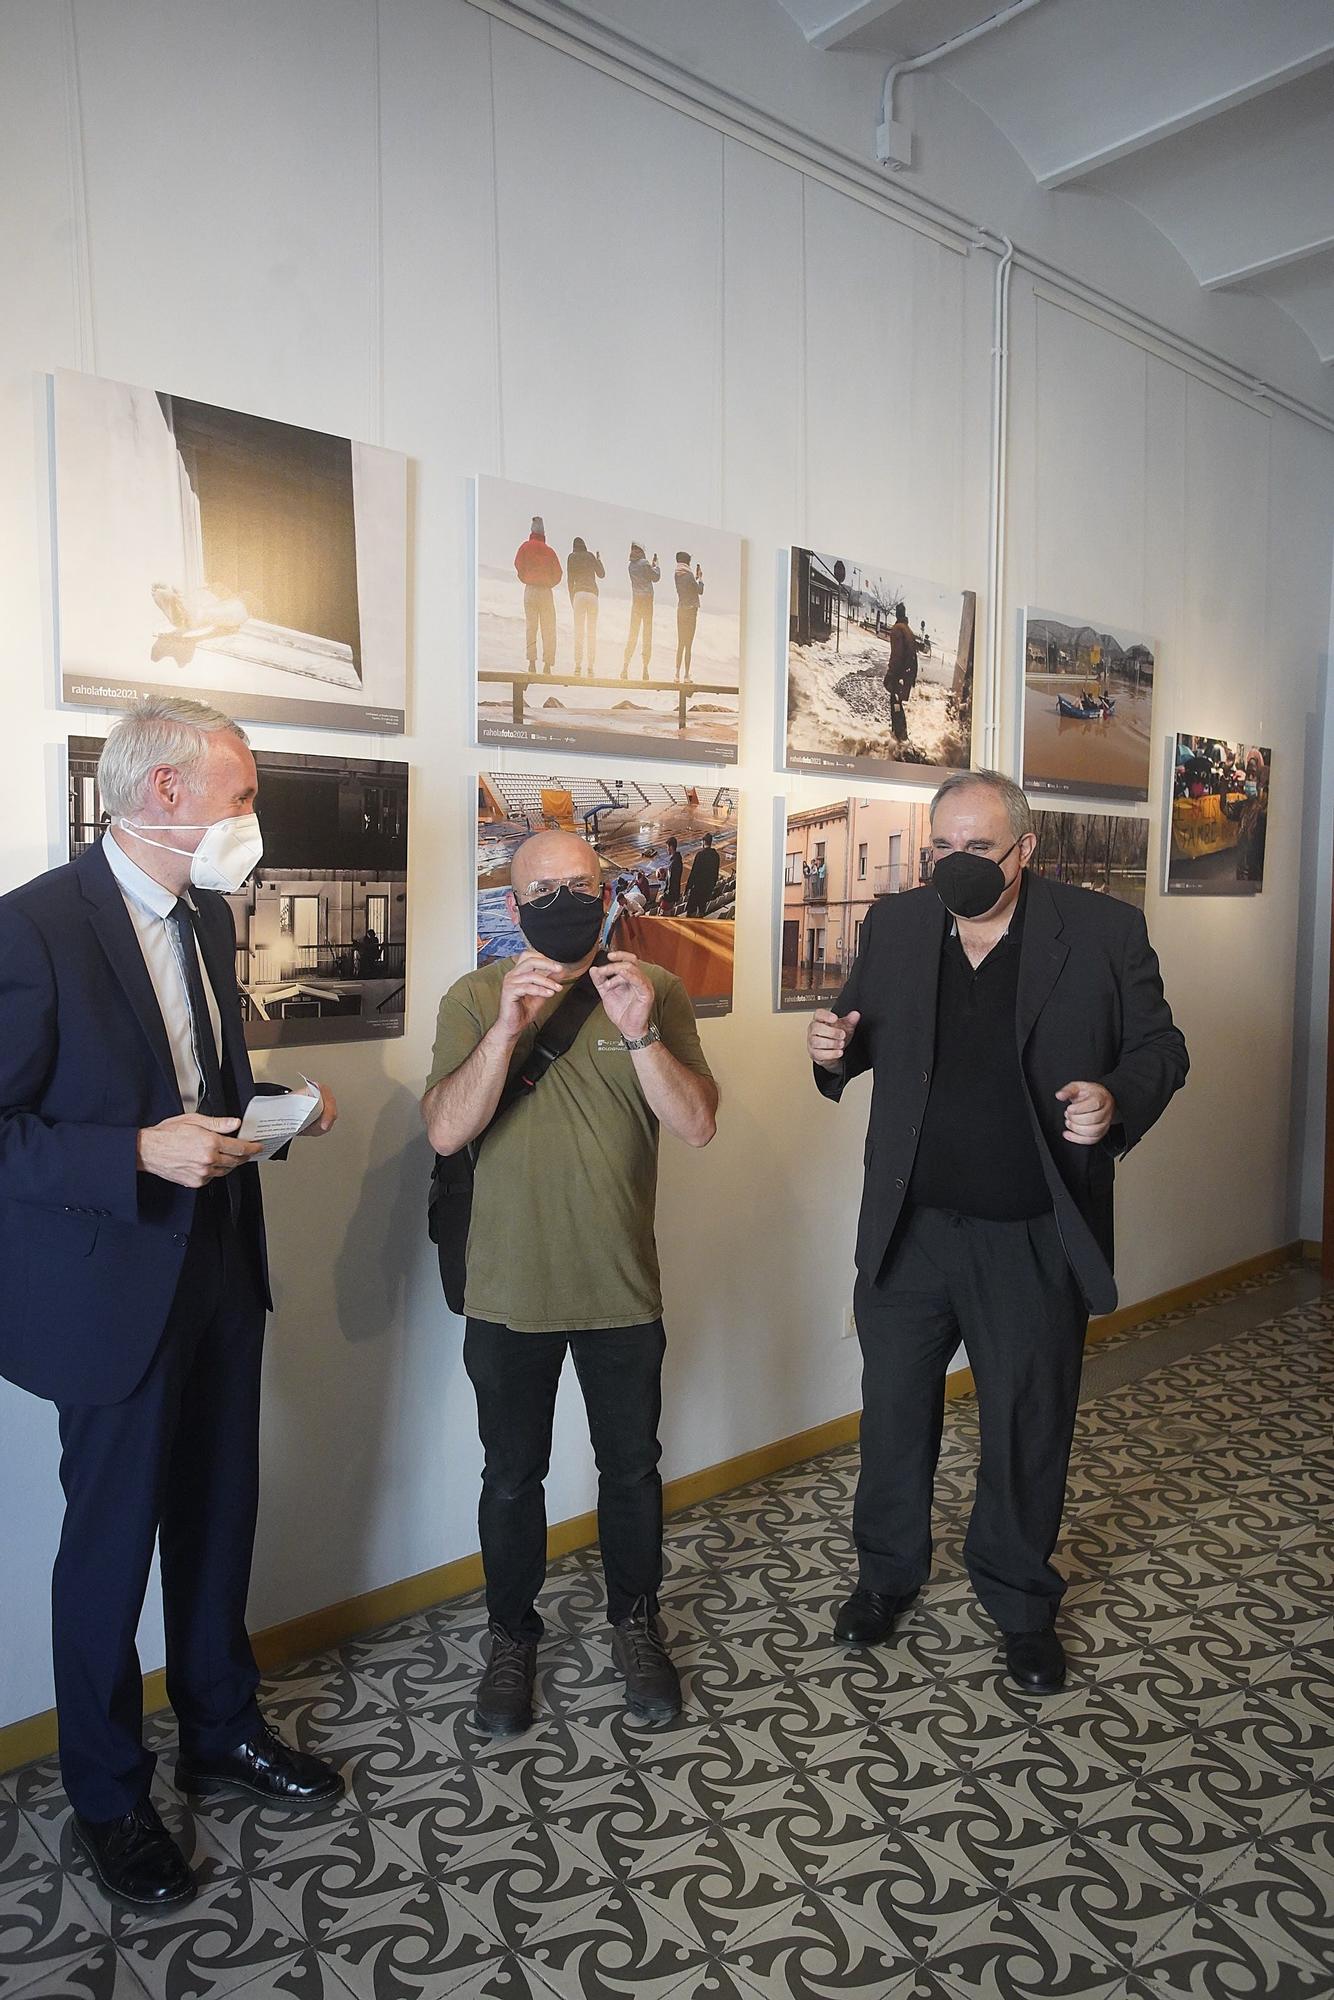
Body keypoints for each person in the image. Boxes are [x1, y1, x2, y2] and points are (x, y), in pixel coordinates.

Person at [0, 698, 341, 1912]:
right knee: (106, 1552)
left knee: (217, 1513)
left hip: (216, 1270)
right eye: (241, 794)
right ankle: (105, 1792)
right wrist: (132, 1156)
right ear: (161, 796)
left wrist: (273, 1118)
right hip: (106, 1294)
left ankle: (219, 1724)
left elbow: (196, 1085)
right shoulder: (33, 927)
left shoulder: (203, 915)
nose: (252, 817)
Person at [808, 768, 1187, 1694]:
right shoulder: (897, 926)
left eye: (977, 847)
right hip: (909, 1228)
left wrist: (1116, 1100)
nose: (955, 862)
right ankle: (886, 1576)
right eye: (942, 845)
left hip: (1029, 1230)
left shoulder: (1101, 932)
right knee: (895, 1413)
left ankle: (1020, 1602)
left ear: (1026, 850)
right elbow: (859, 1030)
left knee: (1026, 1422)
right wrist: (833, 1050)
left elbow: (1160, 1050)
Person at [421, 831, 718, 1735]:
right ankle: (511, 1638)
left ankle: (637, 1622)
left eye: (579, 885)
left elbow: (698, 1124)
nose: (563, 900)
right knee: (512, 1478)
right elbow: (443, 1131)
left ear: (609, 893)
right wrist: (508, 1029)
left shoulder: (655, 990)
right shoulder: (474, 996)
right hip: (507, 1292)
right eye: (541, 891)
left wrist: (640, 1036)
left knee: (632, 1471)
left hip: (621, 1288)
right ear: (511, 911)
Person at [513, 515, 562, 674]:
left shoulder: (525, 547)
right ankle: (547, 665)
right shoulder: (550, 551)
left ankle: (532, 663)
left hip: (530, 590)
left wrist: (525, 578)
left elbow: (518, 564)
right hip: (545, 591)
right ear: (543, 533)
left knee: (531, 627)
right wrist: (549, 583)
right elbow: (559, 574)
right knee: (548, 628)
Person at [566, 536, 605, 676]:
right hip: (593, 596)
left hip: (579, 595)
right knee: (591, 632)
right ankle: (590, 667)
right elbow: (602, 574)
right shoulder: (590, 556)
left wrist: (572, 599)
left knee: (579, 632)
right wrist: (598, 560)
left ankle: (577, 666)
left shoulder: (571, 557)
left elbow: (570, 581)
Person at [621, 543, 660, 679]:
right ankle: (645, 669)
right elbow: (655, 577)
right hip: (647, 602)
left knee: (633, 634)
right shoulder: (645, 563)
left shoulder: (630, 566)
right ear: (642, 551)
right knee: (646, 634)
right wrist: (656, 566)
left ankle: (625, 667)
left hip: (636, 602)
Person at [883, 601, 920, 742]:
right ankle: (900, 734)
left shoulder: (897, 629)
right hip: (907, 674)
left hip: (900, 674)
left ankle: (900, 737)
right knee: (897, 703)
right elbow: (913, 655)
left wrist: (891, 674)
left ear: (897, 613)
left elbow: (897, 655)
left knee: (895, 703)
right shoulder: (908, 629)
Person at [673, 552, 704, 680]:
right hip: (691, 612)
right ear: (687, 562)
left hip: (681, 610)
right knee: (688, 645)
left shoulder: (677, 574)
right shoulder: (689, 575)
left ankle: (676, 674)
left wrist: (694, 579)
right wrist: (700, 579)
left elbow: (688, 588)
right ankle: (686, 675)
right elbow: (699, 591)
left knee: (680, 643)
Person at [683, 831, 721, 918]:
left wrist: (688, 887)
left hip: (697, 888)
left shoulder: (700, 855)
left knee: (690, 911)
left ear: (703, 842)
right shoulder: (716, 856)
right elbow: (716, 874)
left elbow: (694, 873)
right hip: (707, 888)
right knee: (702, 909)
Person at [664, 835, 684, 914]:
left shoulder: (673, 863)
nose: (667, 850)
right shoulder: (678, 860)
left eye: (667, 847)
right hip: (675, 895)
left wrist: (664, 896)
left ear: (671, 847)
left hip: (670, 897)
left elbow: (672, 882)